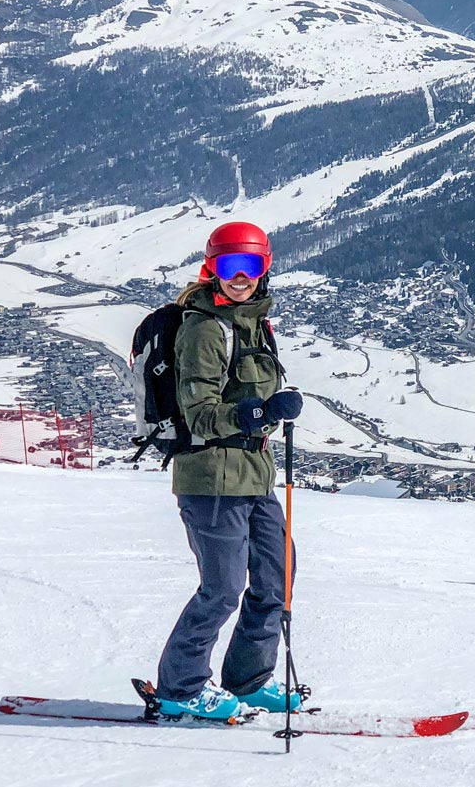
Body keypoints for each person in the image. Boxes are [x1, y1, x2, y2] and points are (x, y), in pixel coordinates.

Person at [154, 221, 305, 721]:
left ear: (264, 269)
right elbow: (198, 412)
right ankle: (180, 688)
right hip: (211, 478)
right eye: (228, 267)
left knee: (275, 576)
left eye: (250, 266)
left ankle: (248, 678)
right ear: (211, 268)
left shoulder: (254, 323)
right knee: (222, 587)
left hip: (253, 472)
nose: (239, 277)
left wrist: (274, 406)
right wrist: (258, 412)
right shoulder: (204, 329)